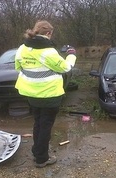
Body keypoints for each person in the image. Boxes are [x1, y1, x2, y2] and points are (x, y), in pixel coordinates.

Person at [15, 20, 76, 168]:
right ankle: (42, 158)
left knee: (38, 123)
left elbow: (18, 67)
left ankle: (37, 152)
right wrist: (71, 54)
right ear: (48, 33)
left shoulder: (22, 48)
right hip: (49, 95)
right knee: (45, 126)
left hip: (31, 94)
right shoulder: (48, 51)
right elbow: (66, 68)